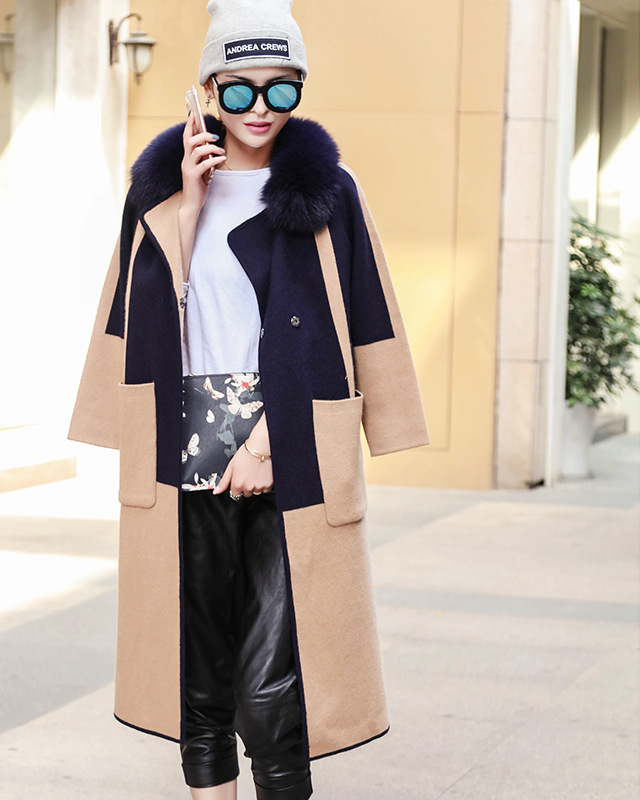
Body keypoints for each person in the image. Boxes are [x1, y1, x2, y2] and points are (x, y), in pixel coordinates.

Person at [69, 1, 429, 798]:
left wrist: (269, 439)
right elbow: (132, 312)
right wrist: (190, 206)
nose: (260, 108)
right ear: (206, 91)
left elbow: (364, 313)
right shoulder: (159, 192)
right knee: (194, 675)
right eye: (239, 90)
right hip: (181, 448)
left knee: (273, 687)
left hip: (287, 444)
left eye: (281, 88)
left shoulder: (328, 190)